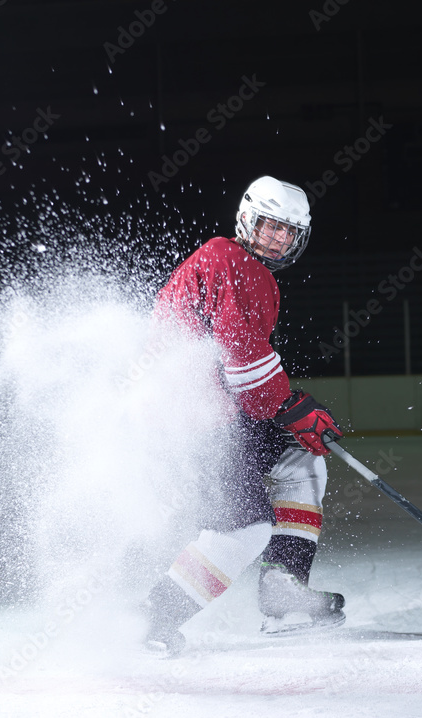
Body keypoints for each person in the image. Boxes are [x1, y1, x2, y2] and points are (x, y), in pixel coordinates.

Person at [141, 175, 345, 655]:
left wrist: (286, 406)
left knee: (301, 460)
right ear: (247, 220)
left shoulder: (233, 263)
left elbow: (238, 363)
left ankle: (283, 593)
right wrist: (287, 404)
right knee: (243, 528)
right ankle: (153, 618)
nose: (278, 238)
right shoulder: (232, 261)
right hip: (194, 425)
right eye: (271, 226)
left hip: (210, 415)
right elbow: (243, 360)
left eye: (289, 232)